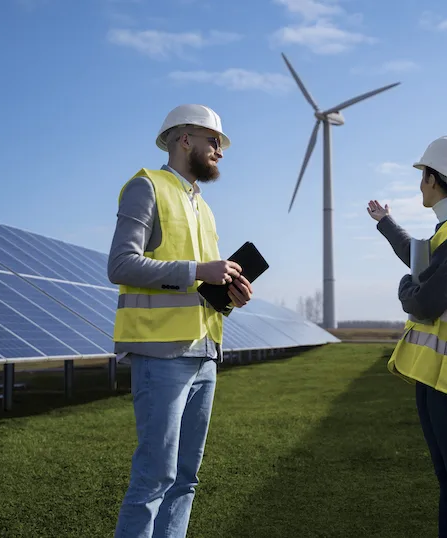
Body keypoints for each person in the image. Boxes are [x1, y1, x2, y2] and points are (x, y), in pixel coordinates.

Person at [107, 103, 254, 538]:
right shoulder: (145, 186)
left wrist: (229, 296)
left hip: (205, 355)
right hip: (161, 357)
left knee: (186, 480)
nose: (220, 152)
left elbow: (202, 289)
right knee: (155, 478)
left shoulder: (204, 208)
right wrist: (196, 270)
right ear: (184, 138)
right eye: (214, 141)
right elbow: (120, 265)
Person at [367, 135, 447, 538]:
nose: (419, 183)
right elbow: (419, 255)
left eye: (422, 175)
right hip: (433, 374)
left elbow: (424, 299)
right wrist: (385, 223)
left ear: (432, 178)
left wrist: (406, 286)